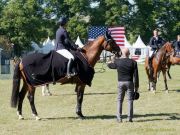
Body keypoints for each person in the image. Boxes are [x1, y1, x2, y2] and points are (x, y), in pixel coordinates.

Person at [107, 48, 139, 123]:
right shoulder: (133, 62)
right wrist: (136, 87)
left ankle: (119, 118)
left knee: (119, 100)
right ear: (129, 53)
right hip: (129, 83)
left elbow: (110, 65)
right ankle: (129, 118)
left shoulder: (118, 62)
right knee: (130, 100)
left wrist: (112, 59)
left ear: (122, 53)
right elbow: (136, 76)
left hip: (120, 83)